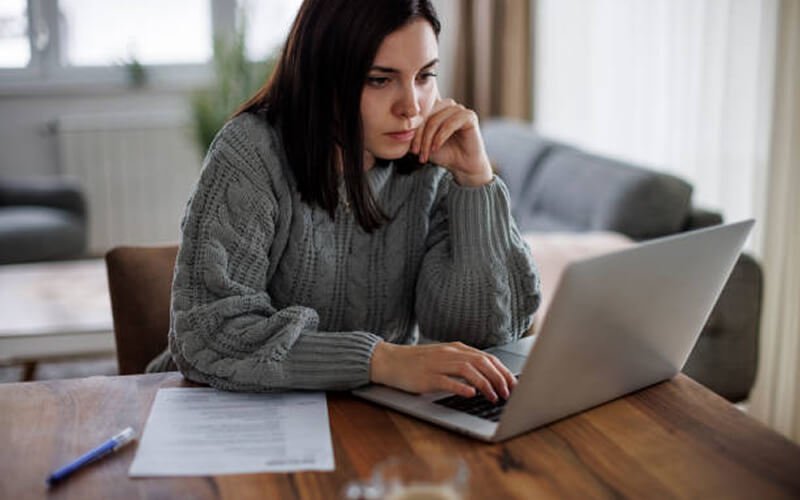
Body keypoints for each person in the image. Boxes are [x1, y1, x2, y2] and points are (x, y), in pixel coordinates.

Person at [148, 0, 541, 404]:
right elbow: (209, 336)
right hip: (218, 410)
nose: (411, 107)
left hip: (368, 415)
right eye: (379, 80)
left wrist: (475, 182)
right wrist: (380, 361)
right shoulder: (252, 151)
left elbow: (486, 334)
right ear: (322, 77)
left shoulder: (431, 162)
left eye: (425, 76)